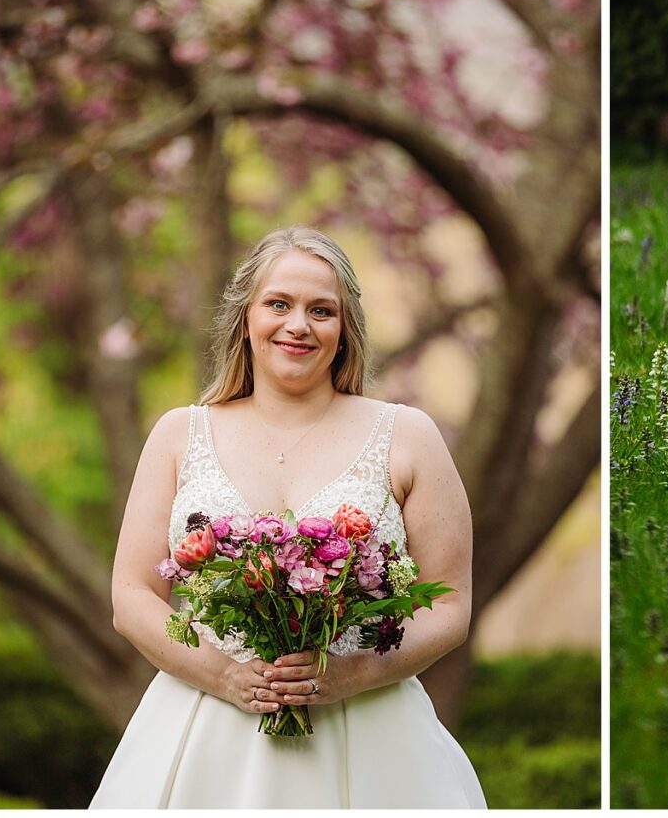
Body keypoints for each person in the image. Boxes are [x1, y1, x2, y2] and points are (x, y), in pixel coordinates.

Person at [92, 228, 484, 807]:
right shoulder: (180, 434)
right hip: (204, 731)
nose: (298, 325)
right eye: (279, 304)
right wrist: (225, 675)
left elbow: (449, 605)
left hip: (371, 732)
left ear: (344, 330)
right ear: (245, 318)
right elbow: (131, 595)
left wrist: (347, 674)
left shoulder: (407, 436)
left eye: (321, 310)